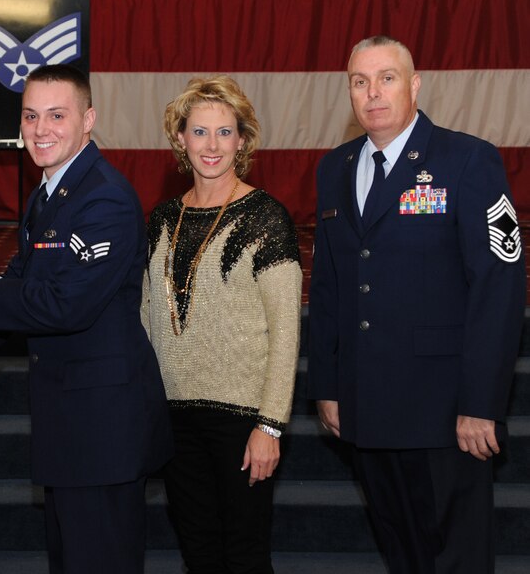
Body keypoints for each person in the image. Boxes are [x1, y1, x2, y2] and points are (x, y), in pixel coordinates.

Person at [0, 64, 174, 574]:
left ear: (88, 120)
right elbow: (18, 290)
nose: (40, 129)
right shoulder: (49, 192)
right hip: (71, 429)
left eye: (57, 115)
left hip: (103, 432)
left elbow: (63, 305)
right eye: (31, 115)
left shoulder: (105, 198)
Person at [307, 35, 526, 574]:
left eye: (387, 78)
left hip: (444, 408)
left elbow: (498, 287)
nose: (373, 93)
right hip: (365, 402)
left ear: (415, 85)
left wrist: (481, 402)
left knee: (455, 556)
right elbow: (331, 286)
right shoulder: (334, 168)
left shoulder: (467, 160)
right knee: (400, 548)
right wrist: (328, 386)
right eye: (360, 82)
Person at [141, 75, 302, 574]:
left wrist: (270, 426)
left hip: (242, 420)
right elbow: (147, 319)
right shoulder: (162, 218)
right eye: (200, 131)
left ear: (243, 139)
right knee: (199, 553)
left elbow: (286, 333)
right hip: (174, 419)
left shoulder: (267, 217)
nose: (212, 146)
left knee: (245, 557)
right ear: (181, 138)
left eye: (225, 132)